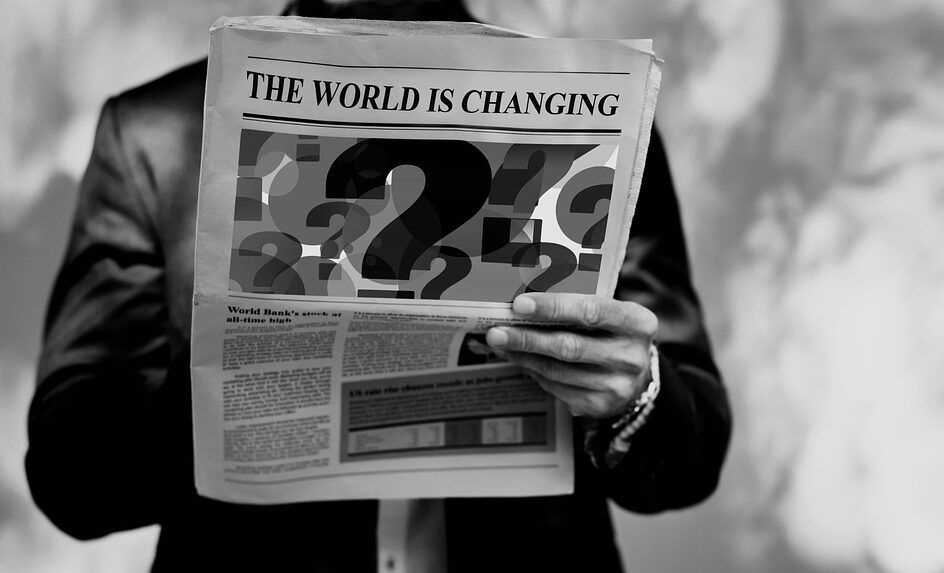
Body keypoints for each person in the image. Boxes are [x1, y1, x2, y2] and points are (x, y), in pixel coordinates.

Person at [24, 0, 730, 571]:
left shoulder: (594, 118)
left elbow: (692, 456)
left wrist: (633, 396)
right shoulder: (153, 135)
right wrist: (233, 365)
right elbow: (70, 476)